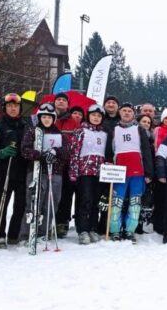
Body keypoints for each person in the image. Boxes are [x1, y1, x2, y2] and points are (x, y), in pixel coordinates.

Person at [0, 93, 29, 248]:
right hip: (3, 171)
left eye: (16, 106)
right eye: (10, 106)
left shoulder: (26, 125)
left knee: (20, 205)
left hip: (22, 171)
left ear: (20, 109)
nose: (13, 109)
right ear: (5, 108)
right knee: (0, 203)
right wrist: (0, 153)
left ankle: (13, 234)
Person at [20, 103, 68, 241]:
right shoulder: (33, 131)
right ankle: (26, 234)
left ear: (54, 119)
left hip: (55, 172)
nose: (46, 120)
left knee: (51, 202)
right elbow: (25, 149)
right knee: (34, 202)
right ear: (40, 117)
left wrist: (55, 152)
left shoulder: (58, 134)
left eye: (49, 117)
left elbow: (66, 151)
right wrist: (40, 154)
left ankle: (43, 233)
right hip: (36, 171)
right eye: (44, 117)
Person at [106, 102, 154, 242]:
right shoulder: (114, 130)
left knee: (135, 204)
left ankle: (129, 230)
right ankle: (115, 230)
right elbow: (109, 151)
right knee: (116, 204)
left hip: (137, 173)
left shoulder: (139, 130)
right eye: (124, 111)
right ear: (120, 113)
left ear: (134, 114)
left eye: (129, 111)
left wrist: (149, 173)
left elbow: (146, 152)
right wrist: (108, 168)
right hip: (119, 173)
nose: (126, 113)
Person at [69, 105, 108, 244]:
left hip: (100, 172)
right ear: (88, 116)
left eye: (99, 116)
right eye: (93, 115)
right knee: (85, 199)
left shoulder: (104, 133)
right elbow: (74, 152)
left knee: (95, 201)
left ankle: (92, 227)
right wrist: (73, 171)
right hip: (84, 171)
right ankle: (83, 229)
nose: (96, 118)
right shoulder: (81, 131)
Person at [54, 92, 82, 238]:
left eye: (63, 100)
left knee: (65, 194)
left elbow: (78, 141)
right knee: (52, 194)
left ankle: (62, 222)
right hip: (51, 162)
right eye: (58, 99)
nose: (60, 102)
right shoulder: (48, 117)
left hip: (68, 163)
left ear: (67, 104)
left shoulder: (74, 121)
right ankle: (47, 222)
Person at [152, 108, 167, 234]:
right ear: (162, 119)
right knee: (160, 198)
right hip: (159, 166)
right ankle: (158, 224)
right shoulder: (157, 130)